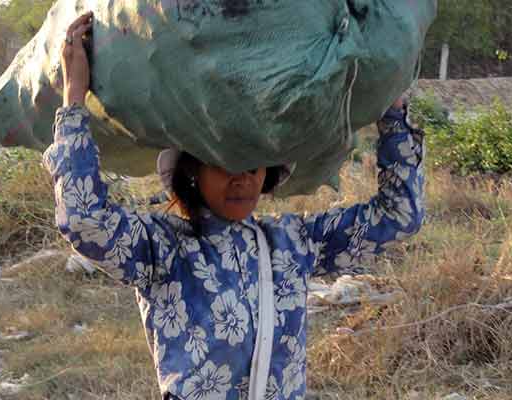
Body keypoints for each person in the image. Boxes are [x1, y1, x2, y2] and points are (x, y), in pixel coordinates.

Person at [43, 11, 426, 400]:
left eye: (254, 165)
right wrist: (74, 98)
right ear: (193, 171)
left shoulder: (294, 244)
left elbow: (399, 215)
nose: (243, 178)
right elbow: (83, 219)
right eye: (227, 165)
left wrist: (392, 109)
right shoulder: (163, 249)